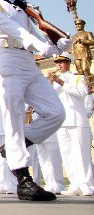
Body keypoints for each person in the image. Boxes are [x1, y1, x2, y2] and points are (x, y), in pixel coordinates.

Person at [0, 0, 69, 200]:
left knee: (55, 112)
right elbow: (8, 27)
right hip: (6, 59)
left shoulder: (21, 6)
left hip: (28, 62)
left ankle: (19, 143)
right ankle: (22, 178)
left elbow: (37, 32)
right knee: (14, 117)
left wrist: (57, 44)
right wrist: (36, 43)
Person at [50, 53, 94, 196]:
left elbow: (83, 92)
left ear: (69, 63)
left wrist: (62, 83)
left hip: (77, 121)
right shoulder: (54, 83)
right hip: (62, 123)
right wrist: (50, 83)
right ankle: (74, 184)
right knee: (67, 154)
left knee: (82, 154)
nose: (59, 65)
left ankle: (87, 184)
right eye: (57, 62)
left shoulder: (78, 78)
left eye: (62, 62)